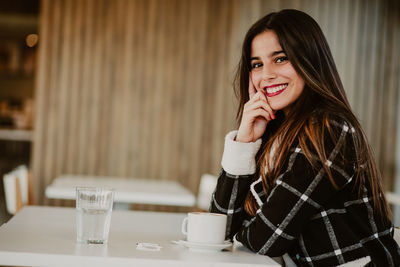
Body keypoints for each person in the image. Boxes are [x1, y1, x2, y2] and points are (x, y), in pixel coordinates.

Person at [210, 9, 400, 266]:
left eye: (280, 59)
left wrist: (243, 230)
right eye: (257, 64)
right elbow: (218, 229)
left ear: (309, 60)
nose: (266, 75)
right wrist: (244, 143)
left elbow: (268, 239)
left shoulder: (329, 130)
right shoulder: (276, 132)